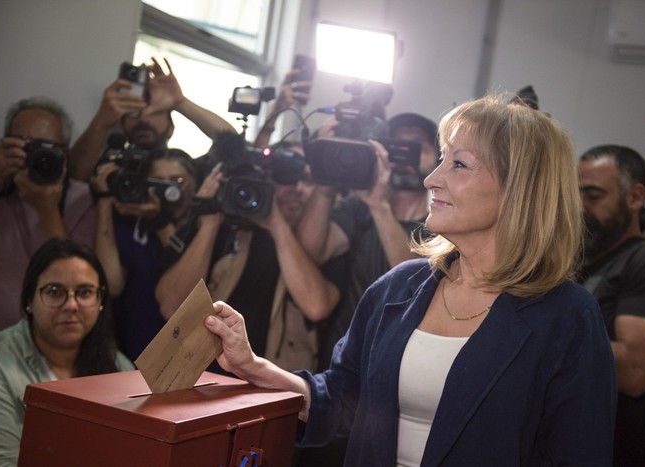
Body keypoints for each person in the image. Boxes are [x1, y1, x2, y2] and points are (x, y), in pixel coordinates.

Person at [203, 94, 617, 465]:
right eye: (441, 159)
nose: (431, 178)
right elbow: (342, 398)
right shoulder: (399, 287)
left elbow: (578, 454)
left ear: (519, 189)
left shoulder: (566, 315)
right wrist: (253, 366)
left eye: (458, 164)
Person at [156, 137, 343, 372]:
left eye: (307, 180)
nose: (297, 189)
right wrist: (208, 224)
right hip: (204, 376)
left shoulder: (330, 241)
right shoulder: (226, 228)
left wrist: (275, 222)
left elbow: (317, 306)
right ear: (266, 178)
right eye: (286, 177)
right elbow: (171, 306)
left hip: (274, 386)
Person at [297, 111, 438, 370]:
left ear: (438, 157)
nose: (405, 153)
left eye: (417, 144)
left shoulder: (441, 224)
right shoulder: (358, 209)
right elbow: (311, 252)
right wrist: (325, 183)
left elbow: (417, 284)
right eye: (396, 145)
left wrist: (379, 206)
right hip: (342, 361)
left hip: (398, 364)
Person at [577, 144, 645, 467]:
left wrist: (540, 334)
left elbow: (633, 372)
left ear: (635, 197)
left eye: (593, 196)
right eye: (576, 194)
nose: (580, 206)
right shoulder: (575, 266)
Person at [0, 238, 134, 466]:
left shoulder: (118, 366)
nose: (71, 305)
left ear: (100, 300)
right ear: (29, 300)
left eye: (84, 292)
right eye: (55, 292)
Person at [91, 148, 222, 361]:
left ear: (196, 186)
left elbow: (185, 288)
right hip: (135, 353)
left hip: (189, 356)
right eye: (157, 182)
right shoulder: (134, 226)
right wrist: (105, 199)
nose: (168, 190)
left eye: (177, 180)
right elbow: (111, 284)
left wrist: (160, 221)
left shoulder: (207, 229)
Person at [0, 97, 97, 337]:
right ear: (5, 145)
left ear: (65, 154)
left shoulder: (83, 199)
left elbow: (76, 278)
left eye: (46, 147)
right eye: (24, 144)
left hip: (52, 349)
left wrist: (46, 209)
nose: (35, 156)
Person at [68, 57, 236, 182]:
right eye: (134, 112)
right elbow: (74, 179)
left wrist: (181, 103)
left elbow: (231, 142)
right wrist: (100, 121)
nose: (144, 118)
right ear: (122, 126)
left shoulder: (184, 172)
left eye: (156, 113)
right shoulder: (107, 170)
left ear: (172, 128)